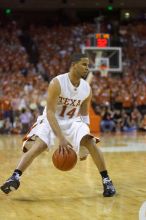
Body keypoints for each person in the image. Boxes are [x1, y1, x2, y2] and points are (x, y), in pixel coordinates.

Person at [0, 53, 116, 197]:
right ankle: (15, 177)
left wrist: (84, 141)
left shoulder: (86, 88)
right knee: (39, 146)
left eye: (88, 65)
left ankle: (107, 180)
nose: (87, 68)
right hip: (51, 118)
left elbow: (85, 114)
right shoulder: (57, 82)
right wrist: (60, 138)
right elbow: (49, 112)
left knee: (90, 141)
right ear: (74, 65)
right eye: (84, 64)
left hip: (73, 120)